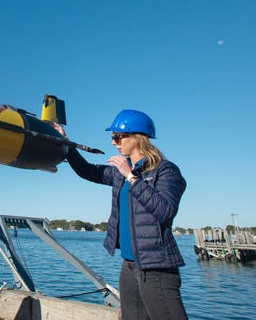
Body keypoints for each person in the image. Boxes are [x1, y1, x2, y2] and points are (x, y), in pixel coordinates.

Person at [53, 109, 187, 319]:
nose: (114, 142)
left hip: (156, 267)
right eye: (112, 137)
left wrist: (131, 177)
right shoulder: (121, 172)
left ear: (136, 137)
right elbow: (87, 171)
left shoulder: (166, 171)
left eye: (117, 137)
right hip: (129, 265)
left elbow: (165, 211)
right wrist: (67, 144)